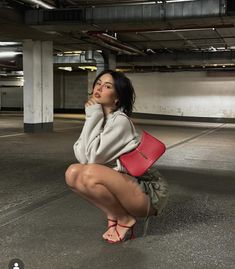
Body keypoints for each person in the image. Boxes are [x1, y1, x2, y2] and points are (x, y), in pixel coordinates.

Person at [65, 70, 169, 244]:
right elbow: (81, 155)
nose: (99, 87)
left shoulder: (119, 120)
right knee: (72, 172)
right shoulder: (98, 118)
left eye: (107, 86)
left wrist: (92, 116)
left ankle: (125, 219)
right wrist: (93, 117)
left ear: (117, 98)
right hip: (126, 185)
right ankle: (114, 214)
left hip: (149, 191)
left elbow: (92, 159)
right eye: (98, 83)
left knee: (89, 171)